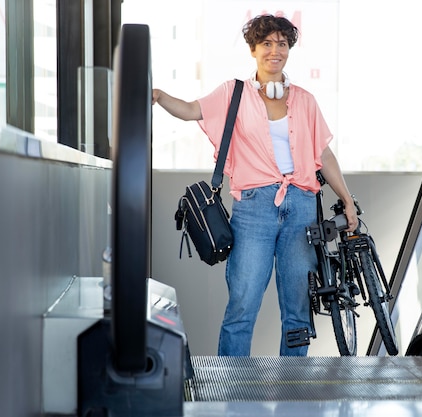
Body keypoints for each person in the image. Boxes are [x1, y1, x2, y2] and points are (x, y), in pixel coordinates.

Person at [152, 14, 358, 356]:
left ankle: (292, 387)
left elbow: (323, 152)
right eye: (266, 44)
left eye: (282, 44)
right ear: (253, 50)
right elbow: (191, 110)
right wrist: (159, 95)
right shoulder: (233, 93)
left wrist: (346, 199)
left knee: (298, 309)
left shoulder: (304, 101)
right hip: (254, 208)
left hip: (302, 207)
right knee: (243, 305)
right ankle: (229, 388)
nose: (274, 51)